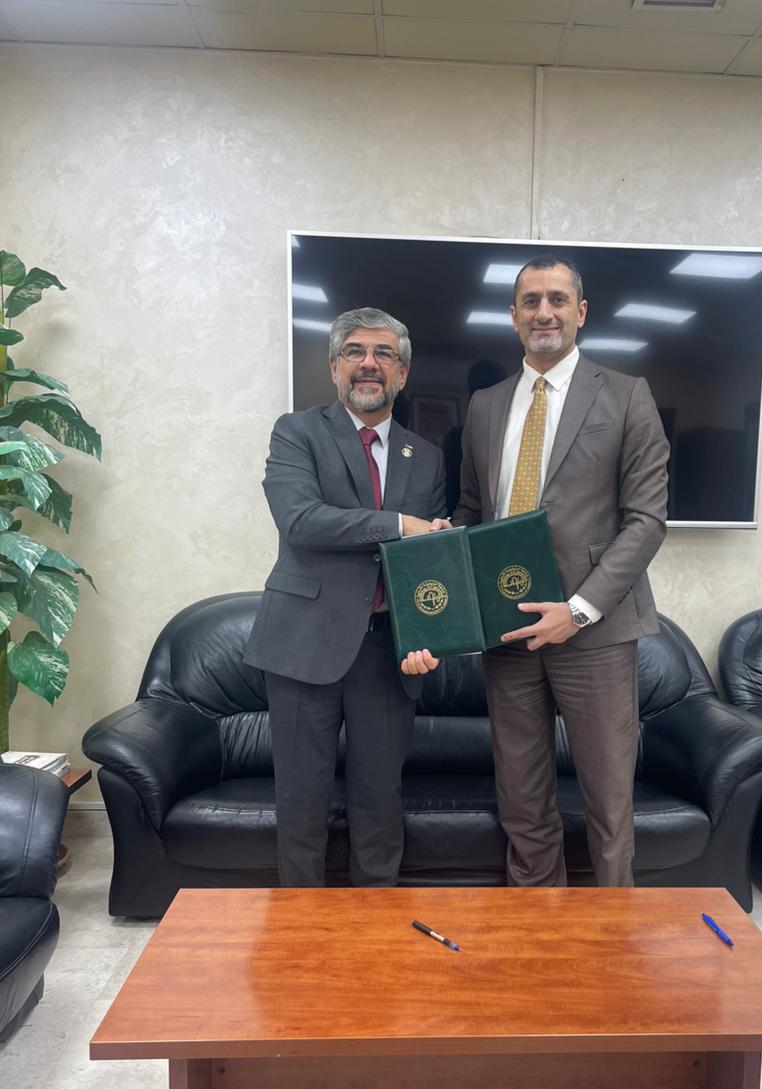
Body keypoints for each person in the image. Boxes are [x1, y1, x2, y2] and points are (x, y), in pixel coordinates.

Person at [450, 255, 670, 888]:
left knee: (608, 805)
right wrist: (443, 556)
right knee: (522, 801)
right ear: (513, 316)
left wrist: (576, 611)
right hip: (509, 632)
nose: (543, 312)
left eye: (556, 299)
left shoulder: (627, 394)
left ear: (581, 312)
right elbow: (472, 511)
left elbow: (646, 520)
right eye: (530, 301)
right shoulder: (486, 405)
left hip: (595, 633)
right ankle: (537, 929)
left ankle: (611, 933)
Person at [244, 307, 448, 887]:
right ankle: (301, 928)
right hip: (302, 644)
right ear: (335, 368)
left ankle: (375, 930)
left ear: (402, 374)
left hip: (388, 652)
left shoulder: (427, 455)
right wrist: (400, 524)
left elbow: (429, 560)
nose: (369, 364)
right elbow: (302, 520)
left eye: (384, 354)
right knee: (302, 804)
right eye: (355, 351)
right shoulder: (296, 432)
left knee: (380, 804)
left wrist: (429, 636)